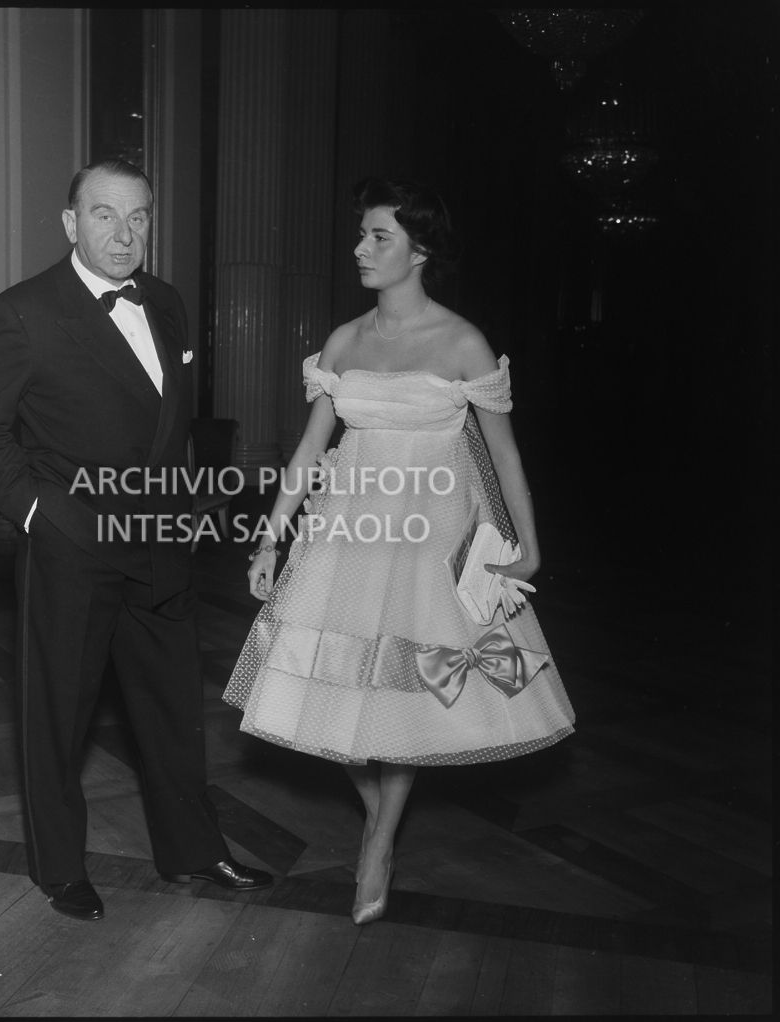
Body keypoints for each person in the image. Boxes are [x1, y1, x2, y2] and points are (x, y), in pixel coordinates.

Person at [222, 176, 574, 925]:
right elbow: (311, 448)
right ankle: (382, 818)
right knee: (337, 686)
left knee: (407, 682)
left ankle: (378, 841)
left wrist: (530, 544)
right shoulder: (344, 340)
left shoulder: (461, 341)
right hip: (348, 528)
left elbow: (505, 457)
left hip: (433, 529)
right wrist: (269, 538)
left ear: (419, 251)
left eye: (377, 236)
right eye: (361, 234)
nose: (360, 248)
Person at [0, 158, 272, 922]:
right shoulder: (23, 312)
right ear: (71, 223)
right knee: (57, 714)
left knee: (171, 710)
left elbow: (174, 425)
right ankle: (60, 868)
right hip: (71, 548)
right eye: (104, 215)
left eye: (138, 216)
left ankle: (196, 849)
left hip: (160, 540)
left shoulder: (165, 301)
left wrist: (191, 507)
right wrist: (43, 519)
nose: (123, 234)